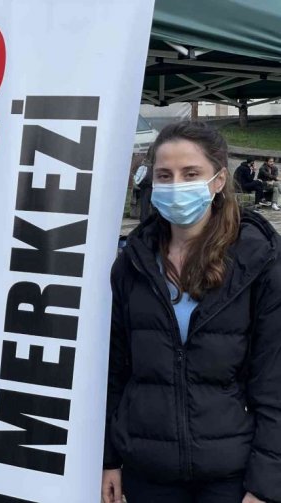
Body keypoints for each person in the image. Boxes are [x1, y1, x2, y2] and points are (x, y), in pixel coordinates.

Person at [102, 121, 281, 503]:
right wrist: (108, 459)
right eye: (165, 175)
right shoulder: (132, 264)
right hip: (147, 470)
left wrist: (266, 482)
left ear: (218, 181)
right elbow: (114, 370)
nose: (176, 185)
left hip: (231, 475)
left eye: (191, 173)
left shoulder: (258, 262)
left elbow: (274, 381)